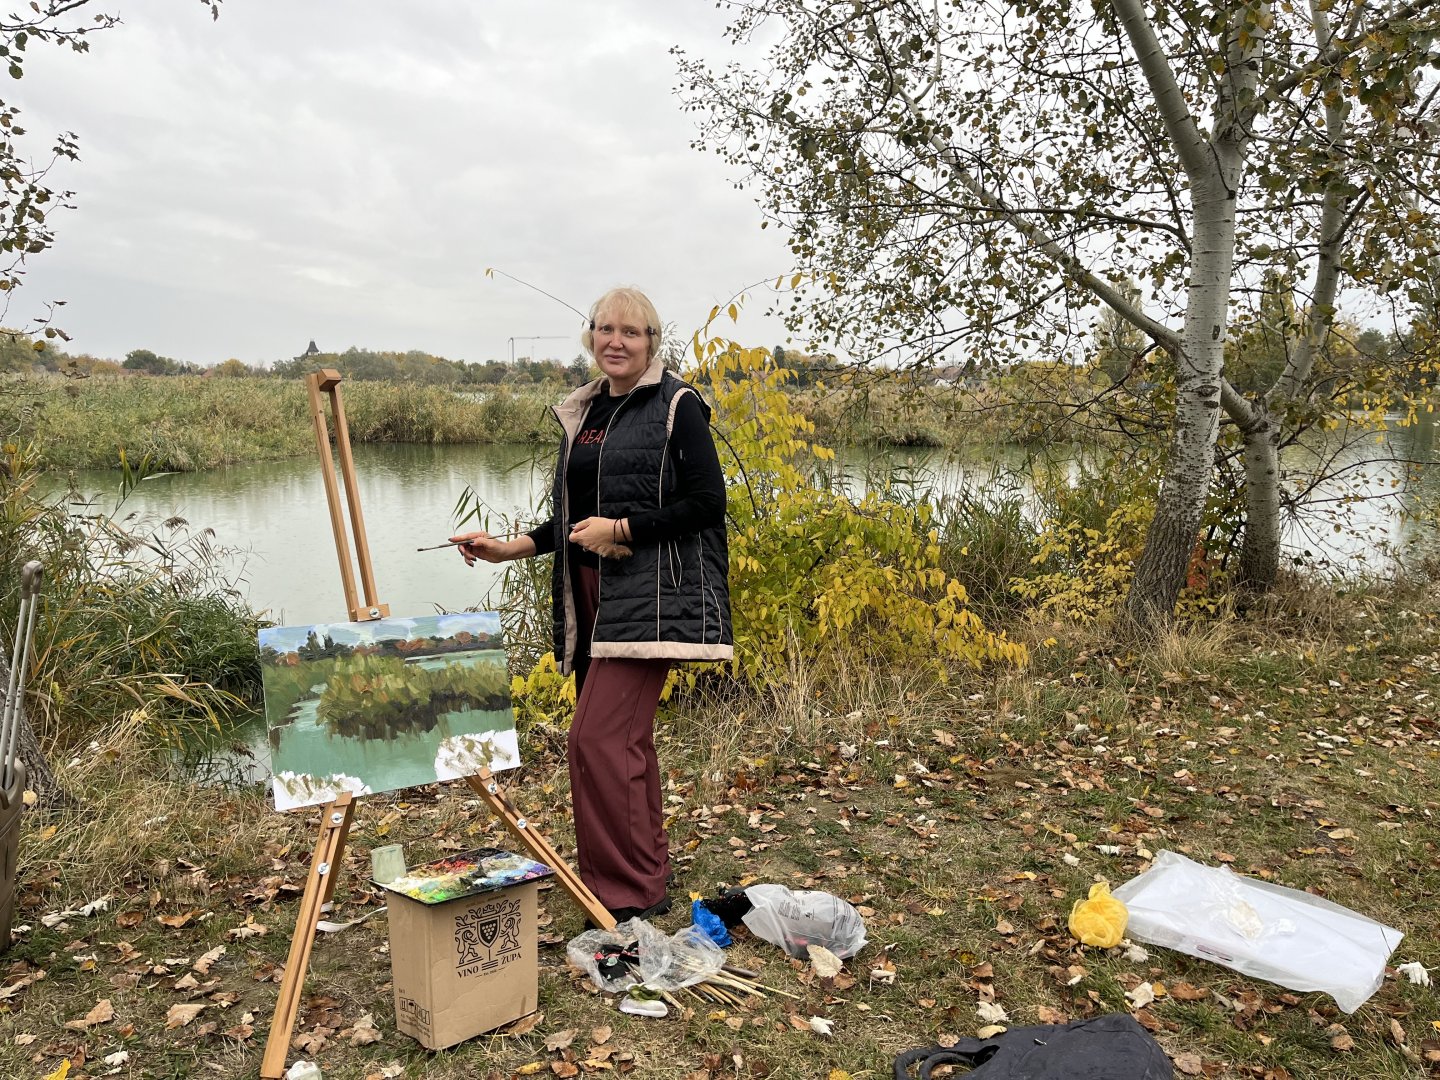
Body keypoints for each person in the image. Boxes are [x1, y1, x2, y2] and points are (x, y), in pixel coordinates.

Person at [451, 286, 732, 922]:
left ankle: (628, 891)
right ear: (591, 338)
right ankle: (636, 873)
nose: (616, 341)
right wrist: (507, 547)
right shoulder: (585, 413)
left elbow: (705, 505)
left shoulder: (677, 405)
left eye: (631, 333)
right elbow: (575, 519)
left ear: (651, 343)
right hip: (589, 594)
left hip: (650, 596)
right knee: (621, 743)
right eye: (605, 329)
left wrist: (624, 531)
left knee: (596, 740)